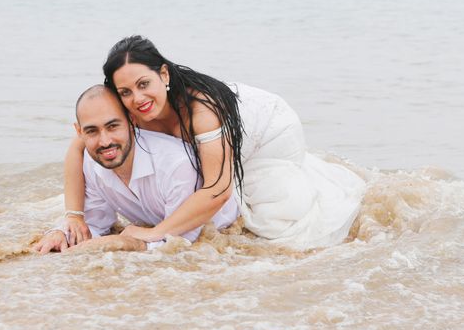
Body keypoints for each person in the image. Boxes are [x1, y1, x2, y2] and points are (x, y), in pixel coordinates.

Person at [62, 36, 366, 251]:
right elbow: (78, 148)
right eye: (125, 91)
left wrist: (155, 233)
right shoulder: (132, 110)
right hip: (219, 146)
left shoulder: (202, 112)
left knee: (271, 220)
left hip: (266, 130)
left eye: (144, 84)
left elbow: (218, 190)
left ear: (163, 74)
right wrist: (74, 215)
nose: (138, 98)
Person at [34, 84, 239, 254]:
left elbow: (181, 244)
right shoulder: (91, 160)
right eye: (92, 131)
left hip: (225, 222)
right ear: (79, 132)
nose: (105, 141)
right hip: (161, 223)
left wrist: (128, 244)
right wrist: (62, 234)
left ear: (132, 122)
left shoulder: (175, 164)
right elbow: (95, 224)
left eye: (113, 126)